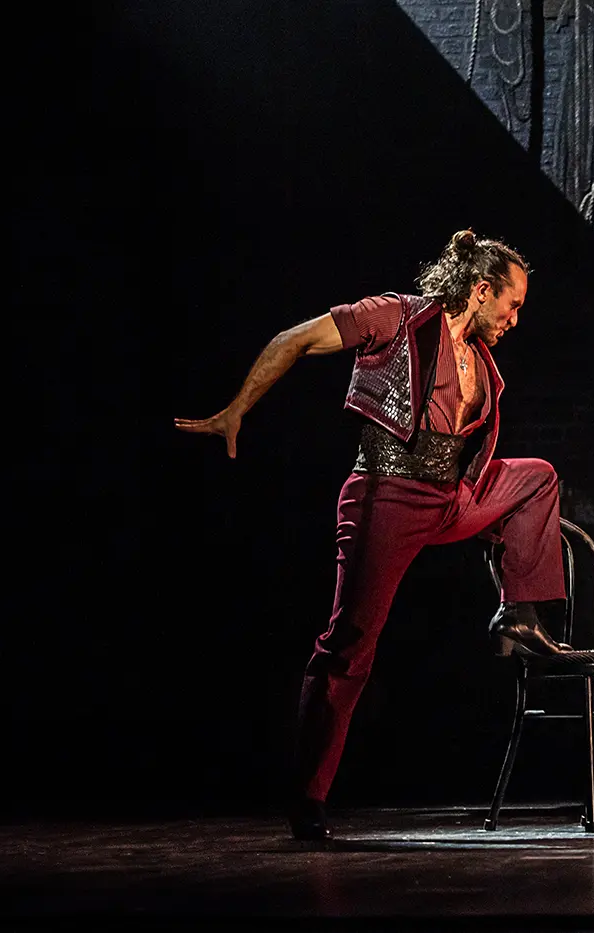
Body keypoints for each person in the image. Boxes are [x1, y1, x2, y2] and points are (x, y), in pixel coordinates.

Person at [175, 230, 572, 841]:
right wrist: (237, 410)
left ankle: (517, 614)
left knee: (536, 478)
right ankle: (307, 798)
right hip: (387, 496)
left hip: (452, 497)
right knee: (350, 644)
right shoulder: (396, 316)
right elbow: (294, 340)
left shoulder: (483, 364)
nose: (515, 319)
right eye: (511, 304)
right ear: (481, 289)